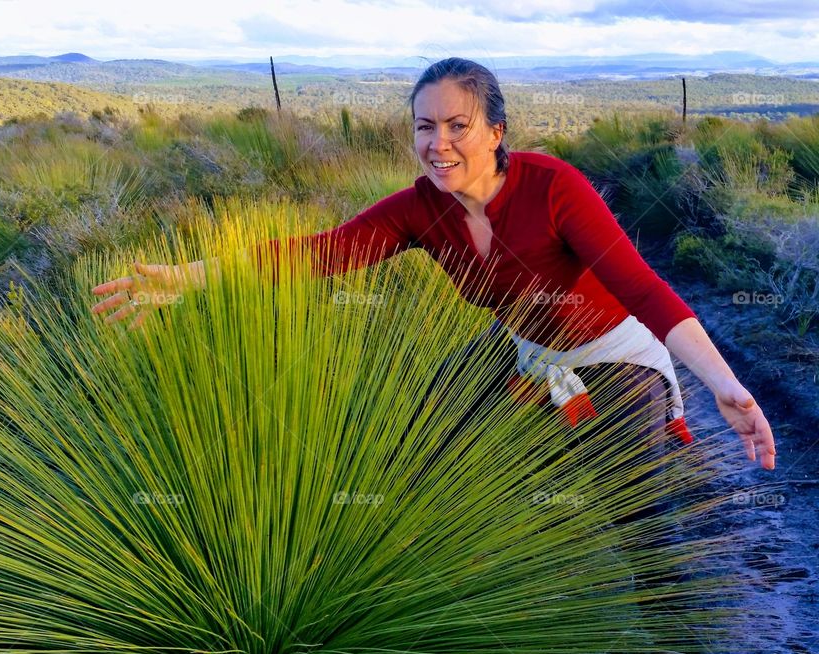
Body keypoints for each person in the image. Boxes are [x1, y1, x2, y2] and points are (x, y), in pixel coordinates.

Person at [91, 56, 777, 475]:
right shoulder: (419, 208)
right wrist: (190, 275)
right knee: (420, 438)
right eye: (424, 126)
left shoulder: (552, 186)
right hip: (522, 351)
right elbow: (317, 254)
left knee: (638, 518)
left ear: (495, 133)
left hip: (615, 355)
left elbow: (643, 288)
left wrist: (724, 385)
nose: (438, 142)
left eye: (457, 126)